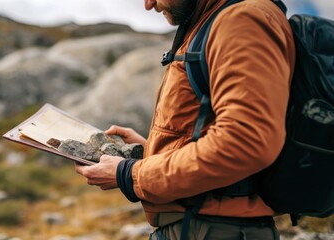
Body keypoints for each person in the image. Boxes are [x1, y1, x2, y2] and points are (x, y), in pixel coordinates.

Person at [74, 0, 295, 239]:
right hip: (202, 226)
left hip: (215, 229)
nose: (149, 5)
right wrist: (152, 150)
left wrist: (132, 174)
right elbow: (213, 133)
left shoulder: (241, 19)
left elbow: (246, 141)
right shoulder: (213, 21)